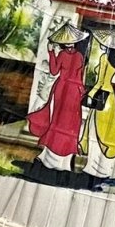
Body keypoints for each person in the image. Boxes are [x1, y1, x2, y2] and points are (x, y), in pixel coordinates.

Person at [23, 21, 87, 177]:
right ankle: (63, 157)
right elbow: (78, 76)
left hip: (63, 88)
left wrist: (51, 52)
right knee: (70, 122)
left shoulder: (63, 54)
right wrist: (81, 91)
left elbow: (53, 71)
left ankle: (53, 154)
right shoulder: (80, 56)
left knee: (58, 120)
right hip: (74, 90)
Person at [81, 31, 115, 190]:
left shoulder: (104, 58)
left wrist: (90, 94)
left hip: (101, 96)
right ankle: (111, 171)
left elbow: (99, 82)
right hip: (109, 98)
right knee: (107, 133)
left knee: (96, 134)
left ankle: (96, 169)